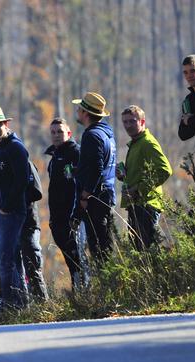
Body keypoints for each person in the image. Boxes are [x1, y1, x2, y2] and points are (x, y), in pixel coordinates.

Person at [0, 105, 30, 309]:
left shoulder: (15, 148)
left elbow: (22, 180)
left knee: (3, 259)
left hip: (9, 213)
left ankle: (13, 304)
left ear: (6, 124)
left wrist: (7, 206)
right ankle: (20, 303)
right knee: (4, 260)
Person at [71, 92, 117, 264]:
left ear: (86, 113)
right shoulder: (106, 134)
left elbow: (97, 169)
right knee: (105, 246)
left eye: (79, 108)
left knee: (99, 250)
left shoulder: (91, 135)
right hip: (106, 196)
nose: (77, 111)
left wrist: (85, 195)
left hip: (96, 200)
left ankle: (107, 287)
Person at [118, 105, 173, 250]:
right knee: (141, 252)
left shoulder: (148, 143)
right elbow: (141, 173)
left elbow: (165, 170)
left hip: (146, 206)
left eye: (132, 121)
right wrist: (123, 175)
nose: (128, 125)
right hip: (137, 205)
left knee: (147, 251)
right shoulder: (136, 143)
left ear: (142, 122)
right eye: (125, 122)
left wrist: (138, 189)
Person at [45, 118, 86, 291]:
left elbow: (79, 186)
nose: (56, 135)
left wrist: (75, 215)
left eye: (60, 132)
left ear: (68, 133)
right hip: (58, 217)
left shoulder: (75, 153)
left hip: (72, 216)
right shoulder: (54, 157)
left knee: (78, 255)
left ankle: (85, 290)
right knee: (69, 257)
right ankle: (78, 291)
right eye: (53, 132)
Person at [20, 159, 49, 302]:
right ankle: (23, 306)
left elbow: (37, 192)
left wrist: (13, 198)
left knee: (32, 265)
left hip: (28, 223)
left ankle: (42, 305)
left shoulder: (25, 162)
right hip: (8, 225)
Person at [178, 54, 195, 197]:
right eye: (186, 72)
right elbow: (183, 134)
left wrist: (190, 121)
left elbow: (189, 124)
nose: (190, 75)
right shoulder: (189, 100)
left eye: (193, 70)